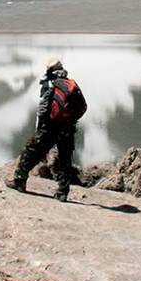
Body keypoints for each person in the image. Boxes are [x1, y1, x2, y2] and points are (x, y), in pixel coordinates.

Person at [6, 57, 85, 202]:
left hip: (51, 127)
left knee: (31, 151)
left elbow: (43, 108)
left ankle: (19, 181)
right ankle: (62, 192)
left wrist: (40, 126)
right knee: (65, 159)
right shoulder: (69, 83)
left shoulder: (51, 83)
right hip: (68, 127)